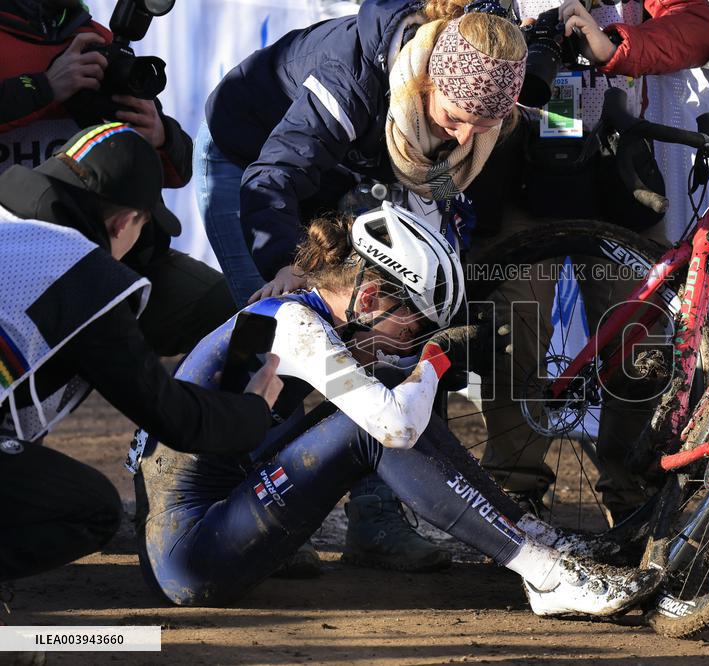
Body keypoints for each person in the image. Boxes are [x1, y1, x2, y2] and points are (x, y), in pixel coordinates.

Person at [132, 201, 661, 616]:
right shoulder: (295, 324)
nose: (412, 339)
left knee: (388, 389)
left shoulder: (296, 311)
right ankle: (547, 574)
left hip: (195, 528)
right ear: (366, 300)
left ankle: (540, 538)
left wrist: (423, 362)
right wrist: (435, 356)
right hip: (192, 556)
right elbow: (396, 428)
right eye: (415, 324)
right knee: (379, 423)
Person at [195, 0, 528, 572]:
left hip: (349, 178)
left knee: (400, 328)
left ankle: (377, 518)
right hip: (250, 163)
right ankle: (244, 516)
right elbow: (272, 177)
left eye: (483, 128)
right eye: (454, 119)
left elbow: (445, 215)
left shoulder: (461, 118)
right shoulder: (350, 74)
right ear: (425, 82)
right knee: (276, 335)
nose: (465, 136)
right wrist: (285, 264)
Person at [471, 0, 709, 525]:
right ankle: (513, 499)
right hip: (519, 165)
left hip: (614, 164)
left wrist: (617, 47)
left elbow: (699, 25)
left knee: (642, 335)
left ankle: (632, 501)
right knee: (516, 326)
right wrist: (508, 40)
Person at [0, 123, 283, 583]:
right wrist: (253, 411)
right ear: (123, 222)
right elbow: (170, 416)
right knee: (91, 509)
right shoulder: (79, 272)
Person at [0, 0, 240, 359]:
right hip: (14, 264)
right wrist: (43, 87)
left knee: (229, 314)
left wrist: (160, 135)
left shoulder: (94, 39)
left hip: (111, 263)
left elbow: (179, 171)